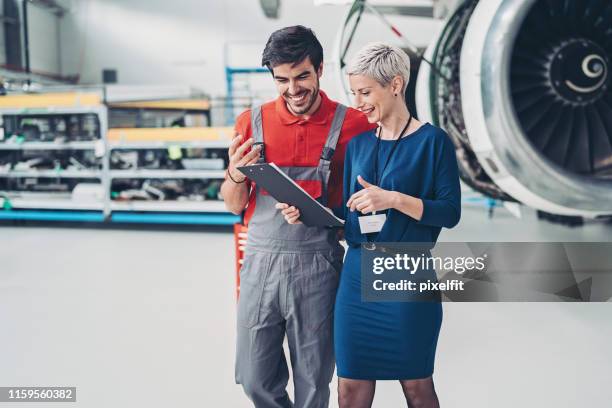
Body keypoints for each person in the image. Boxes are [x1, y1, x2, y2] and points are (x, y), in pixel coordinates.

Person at [283, 42, 461, 407]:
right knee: (350, 386)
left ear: (395, 85)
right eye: (354, 93)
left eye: (365, 92)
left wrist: (393, 199)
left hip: (407, 270)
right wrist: (309, 211)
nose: (358, 101)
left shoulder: (433, 142)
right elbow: (351, 213)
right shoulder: (360, 145)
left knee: (416, 383)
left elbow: (449, 212)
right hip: (358, 272)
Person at [221, 26, 373, 408]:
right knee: (254, 378)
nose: (293, 89)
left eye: (302, 76)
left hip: (318, 263)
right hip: (260, 262)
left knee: (313, 379)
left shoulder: (354, 126)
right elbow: (233, 204)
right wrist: (237, 174)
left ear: (320, 69)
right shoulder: (250, 123)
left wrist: (321, 214)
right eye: (282, 80)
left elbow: (366, 205)